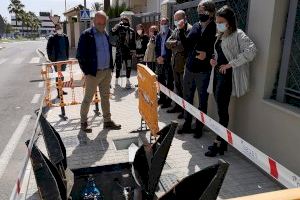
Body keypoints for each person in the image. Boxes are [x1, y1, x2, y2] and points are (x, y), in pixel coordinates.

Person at [205, 5, 257, 157]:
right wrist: (213, 61)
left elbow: (252, 51)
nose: (218, 24)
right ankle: (223, 143)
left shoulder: (238, 34)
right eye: (217, 21)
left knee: (222, 112)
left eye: (221, 21)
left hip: (227, 78)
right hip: (217, 76)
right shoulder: (221, 35)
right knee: (221, 110)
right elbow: (219, 54)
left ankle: (218, 143)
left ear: (229, 22)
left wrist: (230, 64)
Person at [177, 0, 217, 138]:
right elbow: (187, 44)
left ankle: (199, 127)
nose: (200, 14)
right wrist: (181, 31)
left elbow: (217, 48)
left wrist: (207, 56)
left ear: (211, 12)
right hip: (190, 68)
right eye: (198, 11)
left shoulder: (215, 28)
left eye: (203, 11)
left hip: (203, 71)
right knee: (187, 97)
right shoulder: (195, 26)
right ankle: (187, 123)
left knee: (202, 100)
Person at [77, 11, 121, 132]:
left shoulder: (106, 34)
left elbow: (109, 51)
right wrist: (86, 72)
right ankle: (83, 123)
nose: (101, 25)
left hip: (106, 72)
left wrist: (111, 68)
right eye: (98, 23)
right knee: (88, 99)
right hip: (93, 73)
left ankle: (107, 121)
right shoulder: (86, 35)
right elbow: (80, 55)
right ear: (93, 22)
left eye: (103, 23)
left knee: (105, 97)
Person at [166, 10, 192, 119]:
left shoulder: (189, 29)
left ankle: (185, 111)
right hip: (175, 63)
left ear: (184, 18)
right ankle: (177, 106)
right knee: (177, 88)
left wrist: (175, 44)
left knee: (184, 90)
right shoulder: (176, 30)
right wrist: (176, 43)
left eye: (178, 19)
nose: (176, 21)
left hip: (184, 65)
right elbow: (167, 43)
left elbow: (184, 46)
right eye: (175, 19)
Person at [111, 16, 136, 88]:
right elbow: (112, 32)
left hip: (128, 52)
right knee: (118, 66)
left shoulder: (131, 30)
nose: (125, 22)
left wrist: (133, 51)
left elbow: (133, 43)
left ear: (128, 22)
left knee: (128, 66)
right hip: (120, 51)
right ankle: (116, 81)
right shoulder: (118, 29)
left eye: (126, 21)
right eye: (123, 21)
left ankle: (128, 81)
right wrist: (116, 26)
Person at [46, 23, 69, 98]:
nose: (59, 29)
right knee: (58, 76)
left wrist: (67, 58)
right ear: (55, 30)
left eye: (60, 28)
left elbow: (67, 48)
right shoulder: (52, 38)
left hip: (64, 59)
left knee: (62, 76)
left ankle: (61, 90)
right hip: (57, 61)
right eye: (57, 28)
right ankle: (59, 92)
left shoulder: (65, 37)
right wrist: (51, 59)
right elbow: (48, 49)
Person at [155, 18, 174, 108]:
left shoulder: (172, 34)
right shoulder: (158, 35)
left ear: (168, 24)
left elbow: (172, 50)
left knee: (169, 81)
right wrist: (158, 57)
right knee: (160, 81)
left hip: (168, 62)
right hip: (159, 61)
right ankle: (162, 98)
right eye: (161, 23)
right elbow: (156, 48)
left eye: (165, 23)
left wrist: (164, 58)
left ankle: (168, 101)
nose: (163, 25)